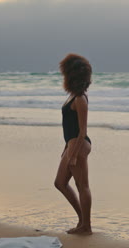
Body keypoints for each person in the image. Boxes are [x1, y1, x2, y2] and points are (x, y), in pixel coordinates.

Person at [54, 53, 93, 235]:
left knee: (82, 186)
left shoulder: (80, 99)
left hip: (79, 145)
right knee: (60, 183)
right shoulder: (71, 96)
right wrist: (66, 150)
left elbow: (82, 131)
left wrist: (73, 154)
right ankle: (81, 220)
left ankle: (86, 226)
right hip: (70, 145)